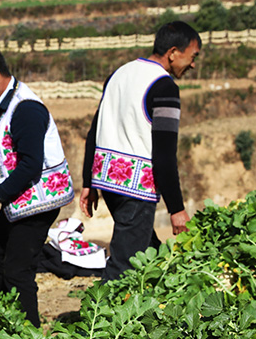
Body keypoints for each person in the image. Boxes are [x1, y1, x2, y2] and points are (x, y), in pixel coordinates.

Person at [80, 21, 200, 282]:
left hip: (108, 181)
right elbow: (165, 154)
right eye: (192, 57)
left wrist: (88, 182)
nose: (192, 65)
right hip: (136, 189)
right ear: (173, 52)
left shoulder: (119, 74)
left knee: (150, 252)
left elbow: (94, 131)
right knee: (125, 264)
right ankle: (97, 317)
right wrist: (176, 208)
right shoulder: (165, 87)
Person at [0, 46, 74, 327]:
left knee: (17, 269)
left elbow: (31, 165)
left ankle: (28, 335)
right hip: (21, 197)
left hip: (39, 199)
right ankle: (9, 320)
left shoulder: (26, 108)